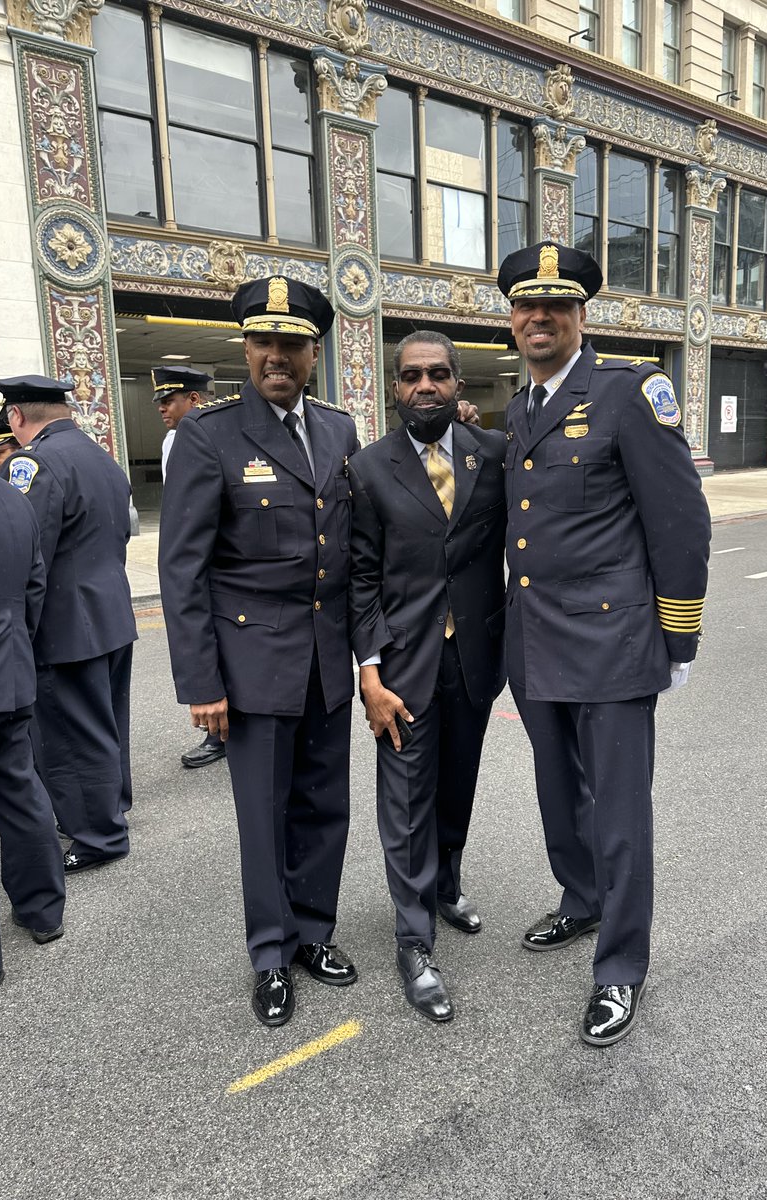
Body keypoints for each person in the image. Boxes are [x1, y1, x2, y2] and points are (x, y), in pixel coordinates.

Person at [498, 241, 711, 1047]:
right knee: (560, 799)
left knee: (618, 813)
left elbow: (681, 520)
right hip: (537, 644)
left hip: (614, 643)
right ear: (512, 319)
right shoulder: (519, 409)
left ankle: (620, 968)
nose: (539, 318)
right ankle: (581, 902)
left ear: (581, 315)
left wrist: (678, 636)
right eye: (526, 305)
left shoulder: (628, 391)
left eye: (556, 305)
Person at [158, 276, 360, 1028]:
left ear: (315, 352)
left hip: (325, 659)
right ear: (245, 348)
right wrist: (201, 683)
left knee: (323, 806)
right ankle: (271, 954)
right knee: (264, 816)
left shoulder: (339, 430)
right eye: (263, 341)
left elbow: (350, 553)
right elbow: (182, 570)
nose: (277, 355)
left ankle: (314, 932)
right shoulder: (210, 437)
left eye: (293, 344)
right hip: (250, 665)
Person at [349, 332, 507, 1022]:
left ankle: (446, 884)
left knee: (458, 785)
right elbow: (359, 578)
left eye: (438, 374)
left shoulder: (490, 455)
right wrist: (370, 671)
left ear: (458, 384)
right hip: (403, 666)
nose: (425, 386)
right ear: (394, 387)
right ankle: (413, 941)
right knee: (406, 803)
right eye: (411, 376)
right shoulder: (368, 469)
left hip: (473, 658)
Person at [0, 375, 137, 874]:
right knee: (106, 720)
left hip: (64, 623)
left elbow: (26, 552)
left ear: (16, 416)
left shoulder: (29, 462)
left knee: (70, 734)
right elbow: (120, 530)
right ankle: (110, 804)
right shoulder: (99, 455)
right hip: (111, 611)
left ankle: (98, 835)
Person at [0, 397, 66, 997]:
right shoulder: (5, 490)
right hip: (8, 670)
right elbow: (34, 586)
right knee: (19, 791)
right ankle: (43, 911)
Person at [150, 364, 226, 770]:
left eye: (169, 400)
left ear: (194, 399)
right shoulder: (172, 440)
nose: (163, 408)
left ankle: (220, 734)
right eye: (160, 401)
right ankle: (217, 729)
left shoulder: (210, 434)